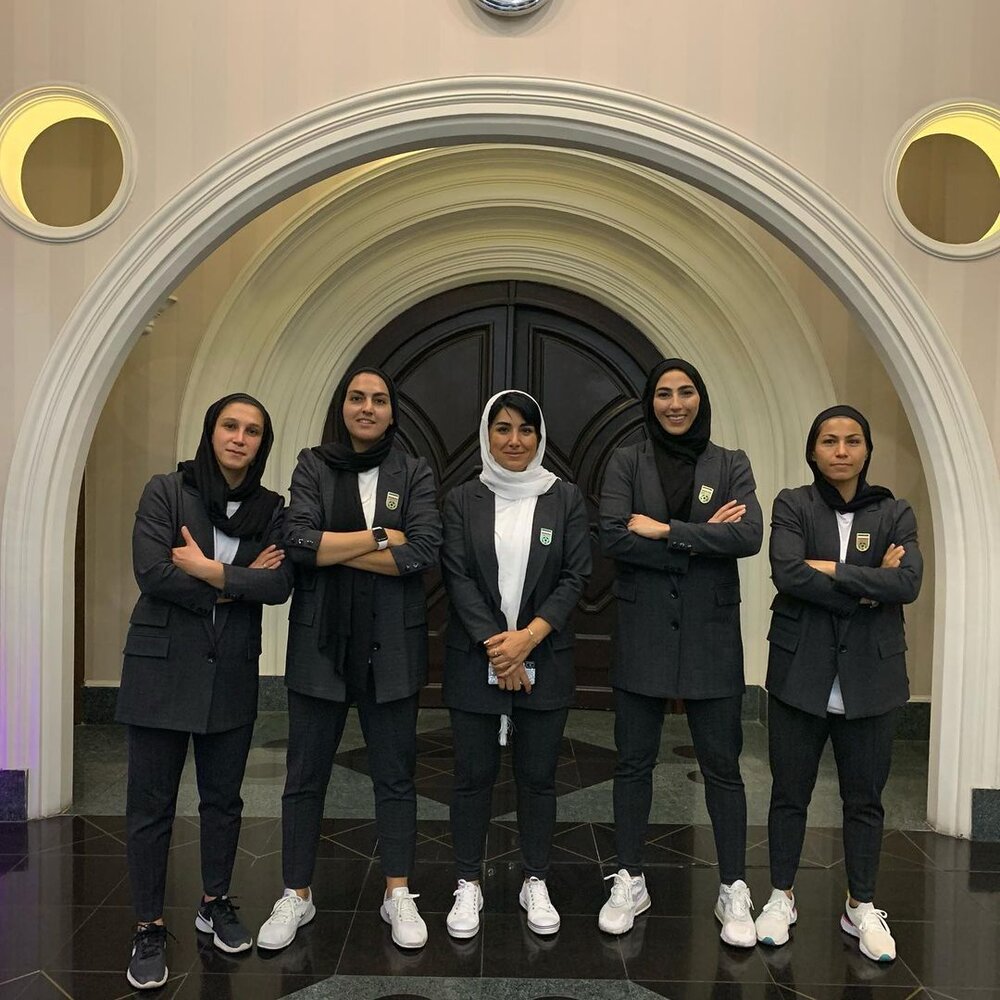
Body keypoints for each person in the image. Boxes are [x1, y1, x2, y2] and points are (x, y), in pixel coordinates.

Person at [257, 367, 441, 952]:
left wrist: (335, 548)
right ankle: (296, 894)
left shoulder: (414, 471)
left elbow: (424, 551)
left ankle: (398, 893)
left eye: (378, 400)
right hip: (321, 645)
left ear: (392, 411)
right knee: (304, 777)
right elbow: (297, 542)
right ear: (343, 407)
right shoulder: (314, 465)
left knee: (396, 777)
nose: (367, 407)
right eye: (357, 398)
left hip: (392, 648)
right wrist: (382, 536)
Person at [117, 393, 292, 990]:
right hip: (161, 668)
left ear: (263, 443)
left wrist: (207, 570)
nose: (239, 438)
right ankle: (148, 925)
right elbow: (153, 571)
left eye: (252, 430)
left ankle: (215, 901)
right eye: (230, 426)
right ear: (211, 431)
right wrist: (235, 584)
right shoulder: (167, 492)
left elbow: (279, 585)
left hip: (231, 670)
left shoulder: (272, 508)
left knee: (223, 800)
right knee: (151, 805)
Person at [598, 358, 763, 946]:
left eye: (685, 392)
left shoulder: (731, 463)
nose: (675, 403)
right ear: (651, 402)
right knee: (632, 763)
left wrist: (666, 530)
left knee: (723, 767)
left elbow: (748, 536)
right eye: (664, 393)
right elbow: (613, 536)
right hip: (642, 631)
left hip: (711, 637)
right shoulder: (626, 461)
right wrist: (703, 535)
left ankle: (733, 887)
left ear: (701, 398)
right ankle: (629, 878)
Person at [754, 405, 921, 963]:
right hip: (801, 672)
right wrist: (871, 586)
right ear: (813, 450)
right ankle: (781, 896)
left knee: (865, 799)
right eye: (829, 440)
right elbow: (787, 572)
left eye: (853, 440)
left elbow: (909, 582)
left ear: (867, 450)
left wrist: (831, 569)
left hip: (872, 677)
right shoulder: (793, 504)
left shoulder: (895, 511)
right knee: (788, 793)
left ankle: (860, 905)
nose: (842, 451)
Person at [440, 390, 591, 939]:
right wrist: (499, 650)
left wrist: (526, 640)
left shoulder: (564, 498)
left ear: (539, 436)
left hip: (544, 658)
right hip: (475, 659)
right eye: (502, 428)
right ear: (487, 435)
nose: (514, 440)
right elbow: (456, 575)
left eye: (526, 430)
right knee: (472, 778)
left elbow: (576, 574)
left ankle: (535, 879)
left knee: (538, 778)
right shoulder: (462, 499)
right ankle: (467, 882)